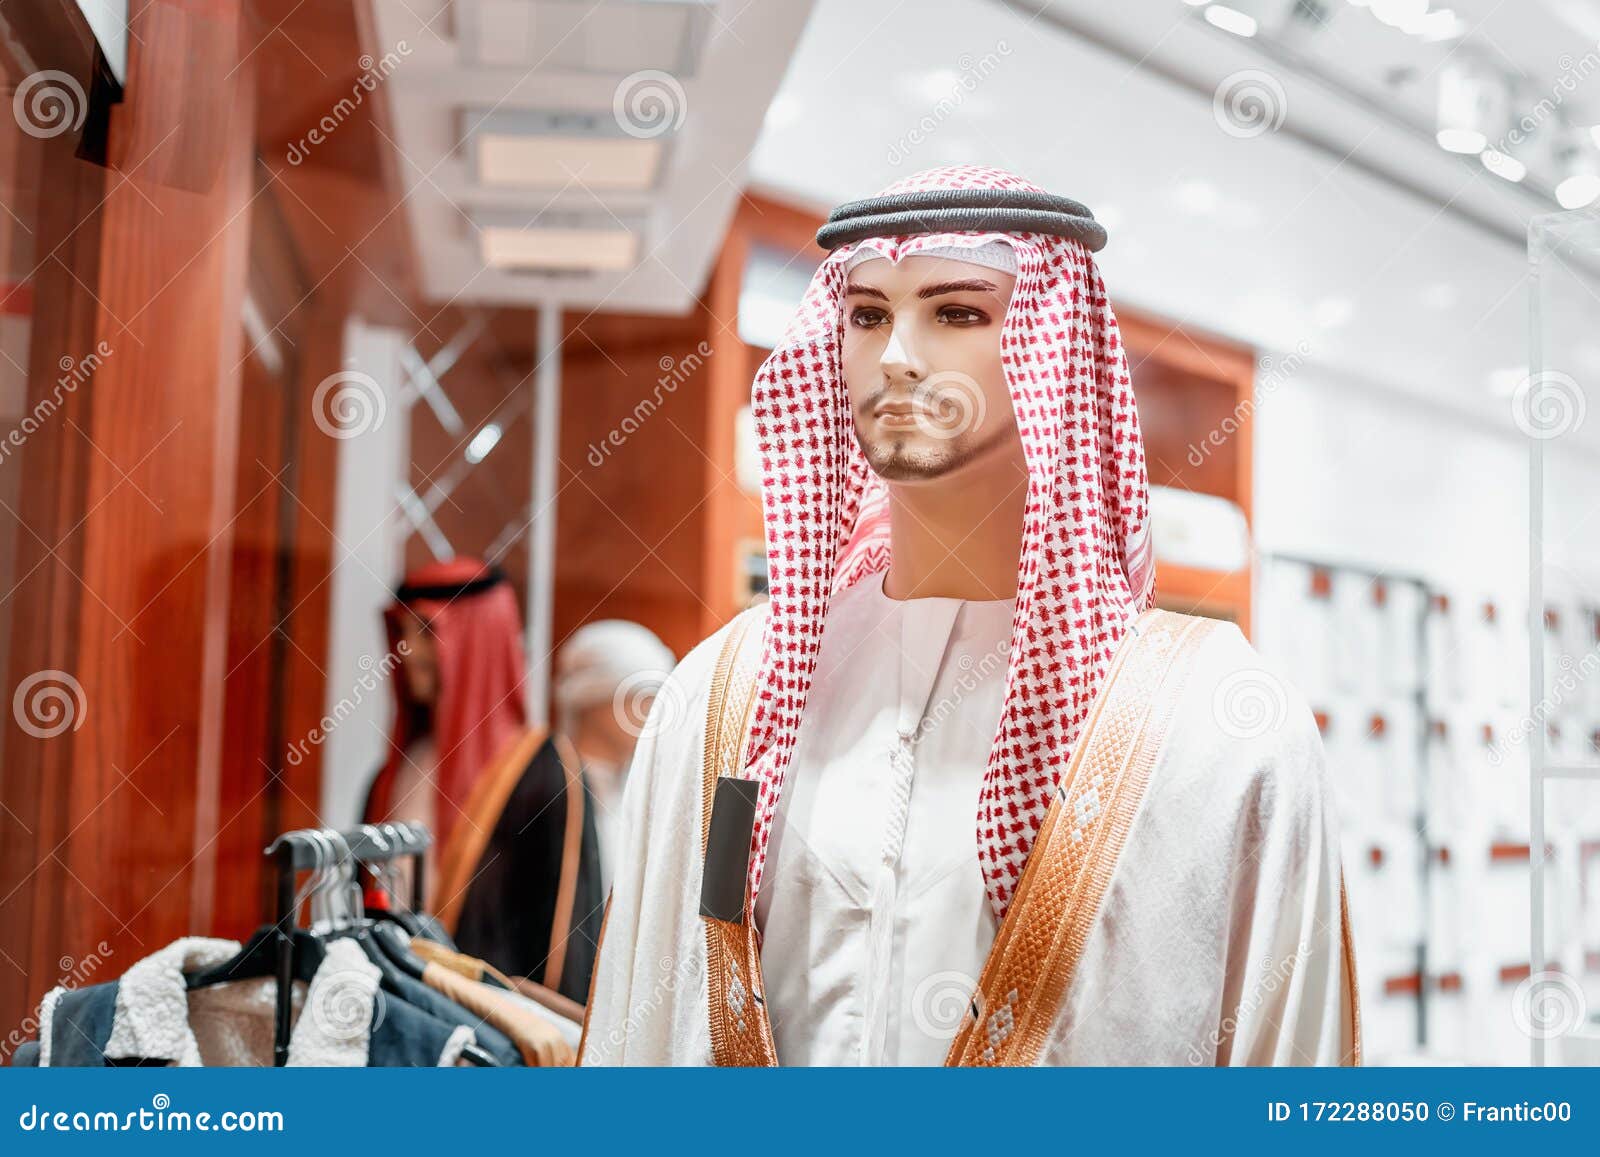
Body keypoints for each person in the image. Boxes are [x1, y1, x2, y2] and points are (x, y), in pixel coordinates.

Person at [579, 165, 1360, 1066]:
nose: (899, 355)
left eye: (957, 313)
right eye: (868, 314)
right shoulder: (721, 694)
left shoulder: (1220, 722)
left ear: (1052, 346)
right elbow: (644, 1027)